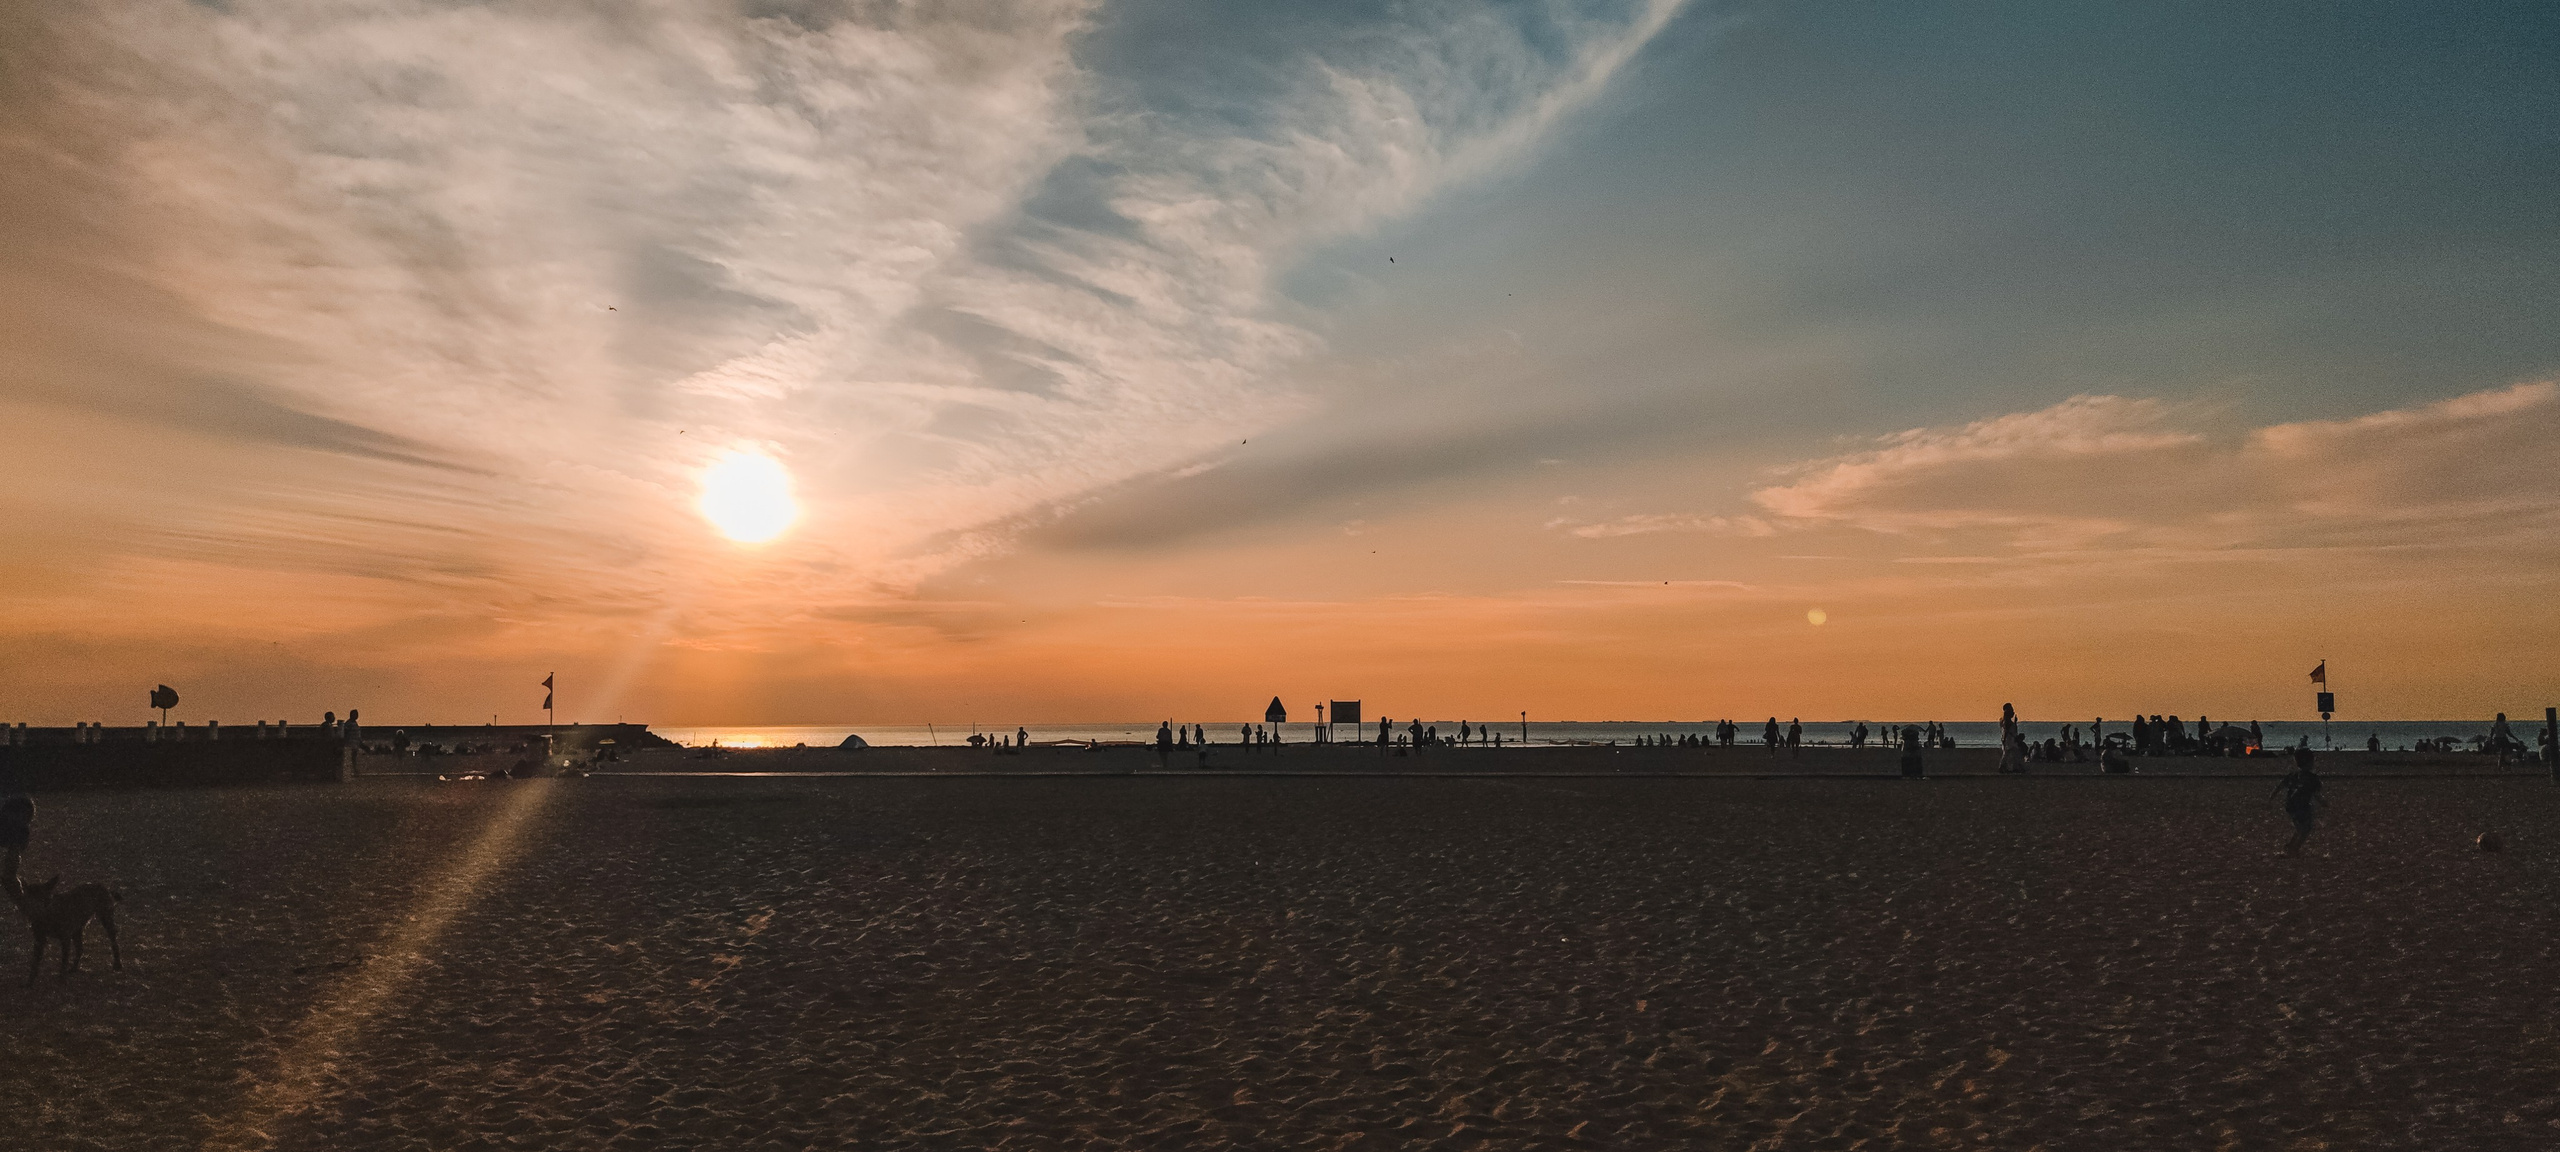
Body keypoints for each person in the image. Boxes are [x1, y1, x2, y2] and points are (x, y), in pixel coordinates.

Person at [2274, 745, 2326, 857]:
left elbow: (2280, 786)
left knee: (2299, 828)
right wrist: (2323, 802)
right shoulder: (2312, 778)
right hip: (2302, 805)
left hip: (2291, 805)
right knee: (2306, 828)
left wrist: (2271, 797)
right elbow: (2315, 793)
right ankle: (2294, 849)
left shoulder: (2293, 775)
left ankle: (2290, 846)